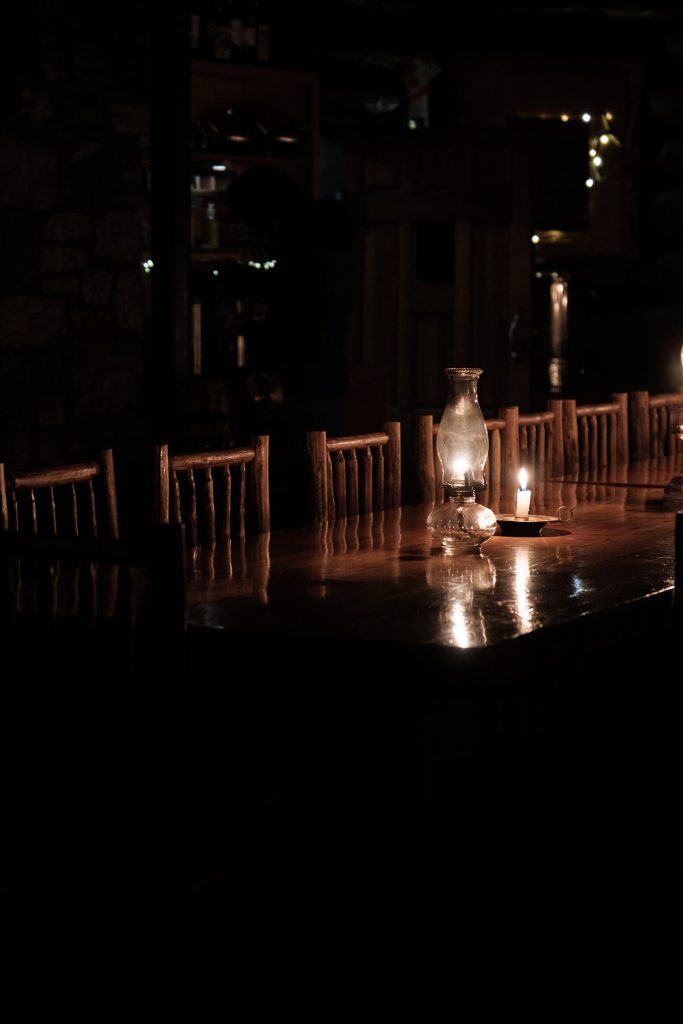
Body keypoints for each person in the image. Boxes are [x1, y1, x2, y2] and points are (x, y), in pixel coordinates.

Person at [226, 166, 353, 526]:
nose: (255, 233)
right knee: (314, 482)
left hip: (301, 386)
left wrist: (249, 326)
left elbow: (296, 314)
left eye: (253, 221)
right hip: (326, 381)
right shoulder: (328, 239)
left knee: (291, 485)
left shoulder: (304, 250)